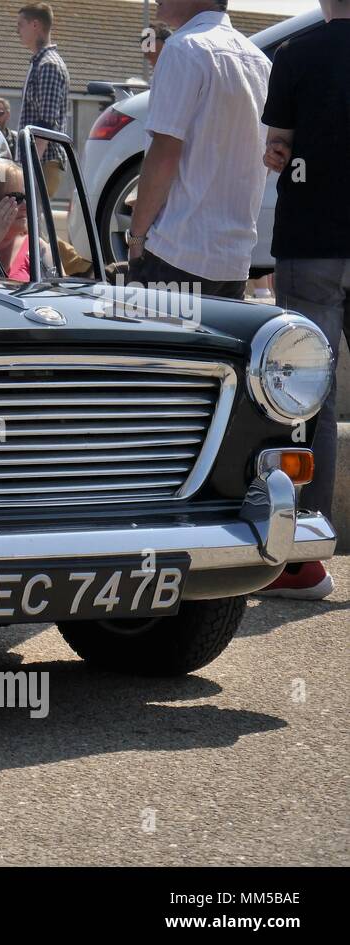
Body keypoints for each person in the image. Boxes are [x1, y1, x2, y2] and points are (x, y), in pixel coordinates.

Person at [255, 0, 350, 601]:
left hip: (313, 239)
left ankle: (305, 561)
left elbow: (278, 149)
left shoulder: (294, 55)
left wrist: (278, 155)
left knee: (310, 393)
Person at [125, 1, 270, 301]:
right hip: (233, 261)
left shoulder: (182, 50)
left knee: (157, 348)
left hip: (177, 252)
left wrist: (136, 239)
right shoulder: (260, 62)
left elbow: (165, 153)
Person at [16, 3, 70, 196]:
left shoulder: (48, 65)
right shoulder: (39, 63)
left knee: (34, 222)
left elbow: (45, 124)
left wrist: (29, 167)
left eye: (21, 24)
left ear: (35, 25)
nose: (17, 30)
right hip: (38, 161)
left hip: (42, 162)